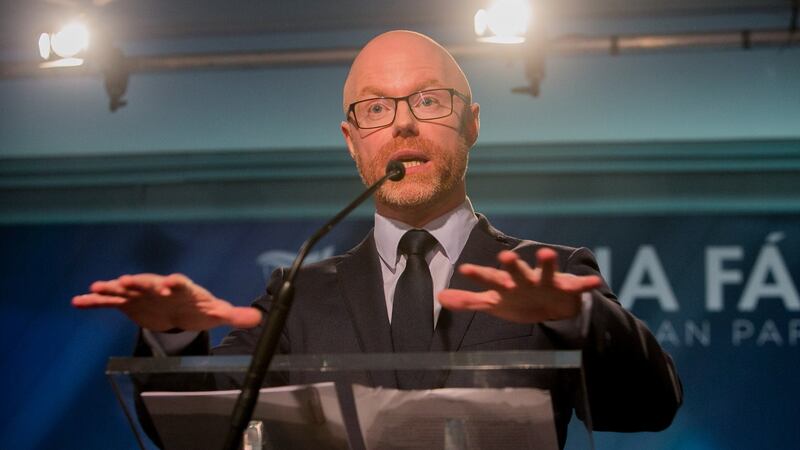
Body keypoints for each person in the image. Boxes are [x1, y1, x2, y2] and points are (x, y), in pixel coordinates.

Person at [73, 30, 681, 447]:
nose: (403, 123)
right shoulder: (300, 295)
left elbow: (651, 406)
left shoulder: (547, 274)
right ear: (351, 140)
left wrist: (573, 314)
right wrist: (174, 341)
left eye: (427, 99)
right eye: (375, 109)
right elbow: (205, 427)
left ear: (472, 122)